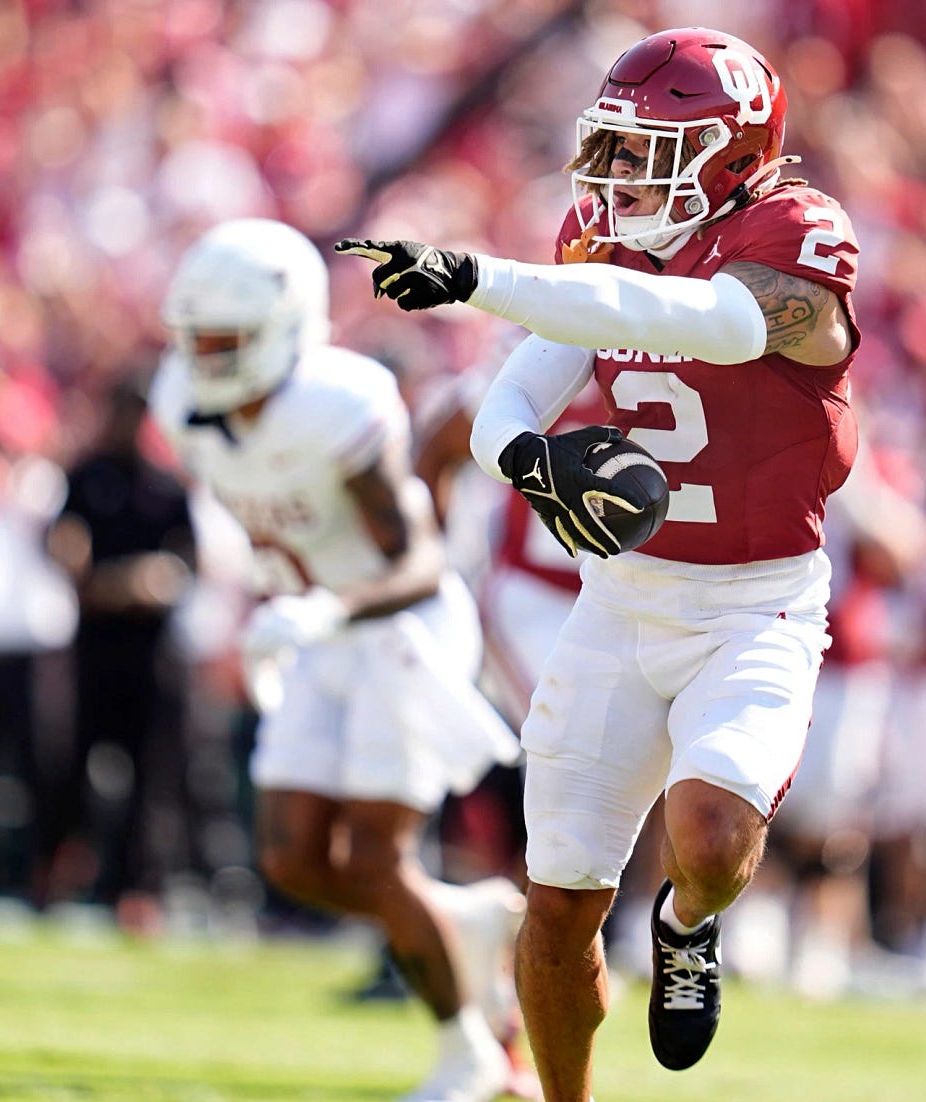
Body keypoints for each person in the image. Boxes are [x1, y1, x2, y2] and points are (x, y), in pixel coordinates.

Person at [339, 27, 860, 1100]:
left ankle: (686, 925)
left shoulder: (795, 232)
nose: (619, 172)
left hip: (755, 603)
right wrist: (526, 461)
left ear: (730, 153)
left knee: (709, 837)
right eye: (612, 145)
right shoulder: (600, 237)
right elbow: (516, 395)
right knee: (560, 900)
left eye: (646, 148)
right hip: (622, 599)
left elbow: (713, 324)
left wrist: (480, 277)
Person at [151, 217, 526, 1102]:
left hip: (399, 632)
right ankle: (460, 918)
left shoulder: (338, 405)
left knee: (372, 861)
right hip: (313, 631)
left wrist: (327, 606)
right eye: (198, 339)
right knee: (292, 859)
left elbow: (419, 559)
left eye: (227, 341)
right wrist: (282, 607)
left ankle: (469, 1051)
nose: (206, 359)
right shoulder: (181, 403)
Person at [44, 378, 195, 934]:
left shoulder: (164, 486)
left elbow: (186, 565)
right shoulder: (86, 478)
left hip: (150, 655)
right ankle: (60, 869)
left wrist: (144, 582)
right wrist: (97, 576)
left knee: (151, 775)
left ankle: (138, 887)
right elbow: (64, 547)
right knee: (72, 762)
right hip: (94, 649)